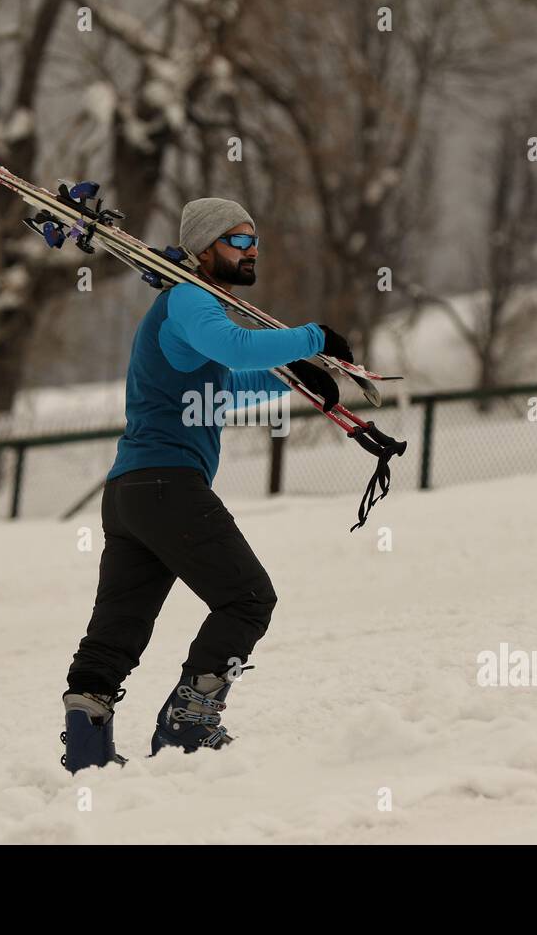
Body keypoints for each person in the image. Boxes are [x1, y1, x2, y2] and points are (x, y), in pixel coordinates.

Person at [61, 198, 354, 773]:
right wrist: (313, 337)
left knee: (121, 625)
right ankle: (188, 724)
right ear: (202, 249)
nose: (251, 252)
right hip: (168, 486)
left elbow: (223, 383)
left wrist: (298, 383)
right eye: (237, 241)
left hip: (132, 495)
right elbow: (236, 347)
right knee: (247, 598)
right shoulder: (189, 298)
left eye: (254, 241)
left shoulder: (188, 311)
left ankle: (87, 748)